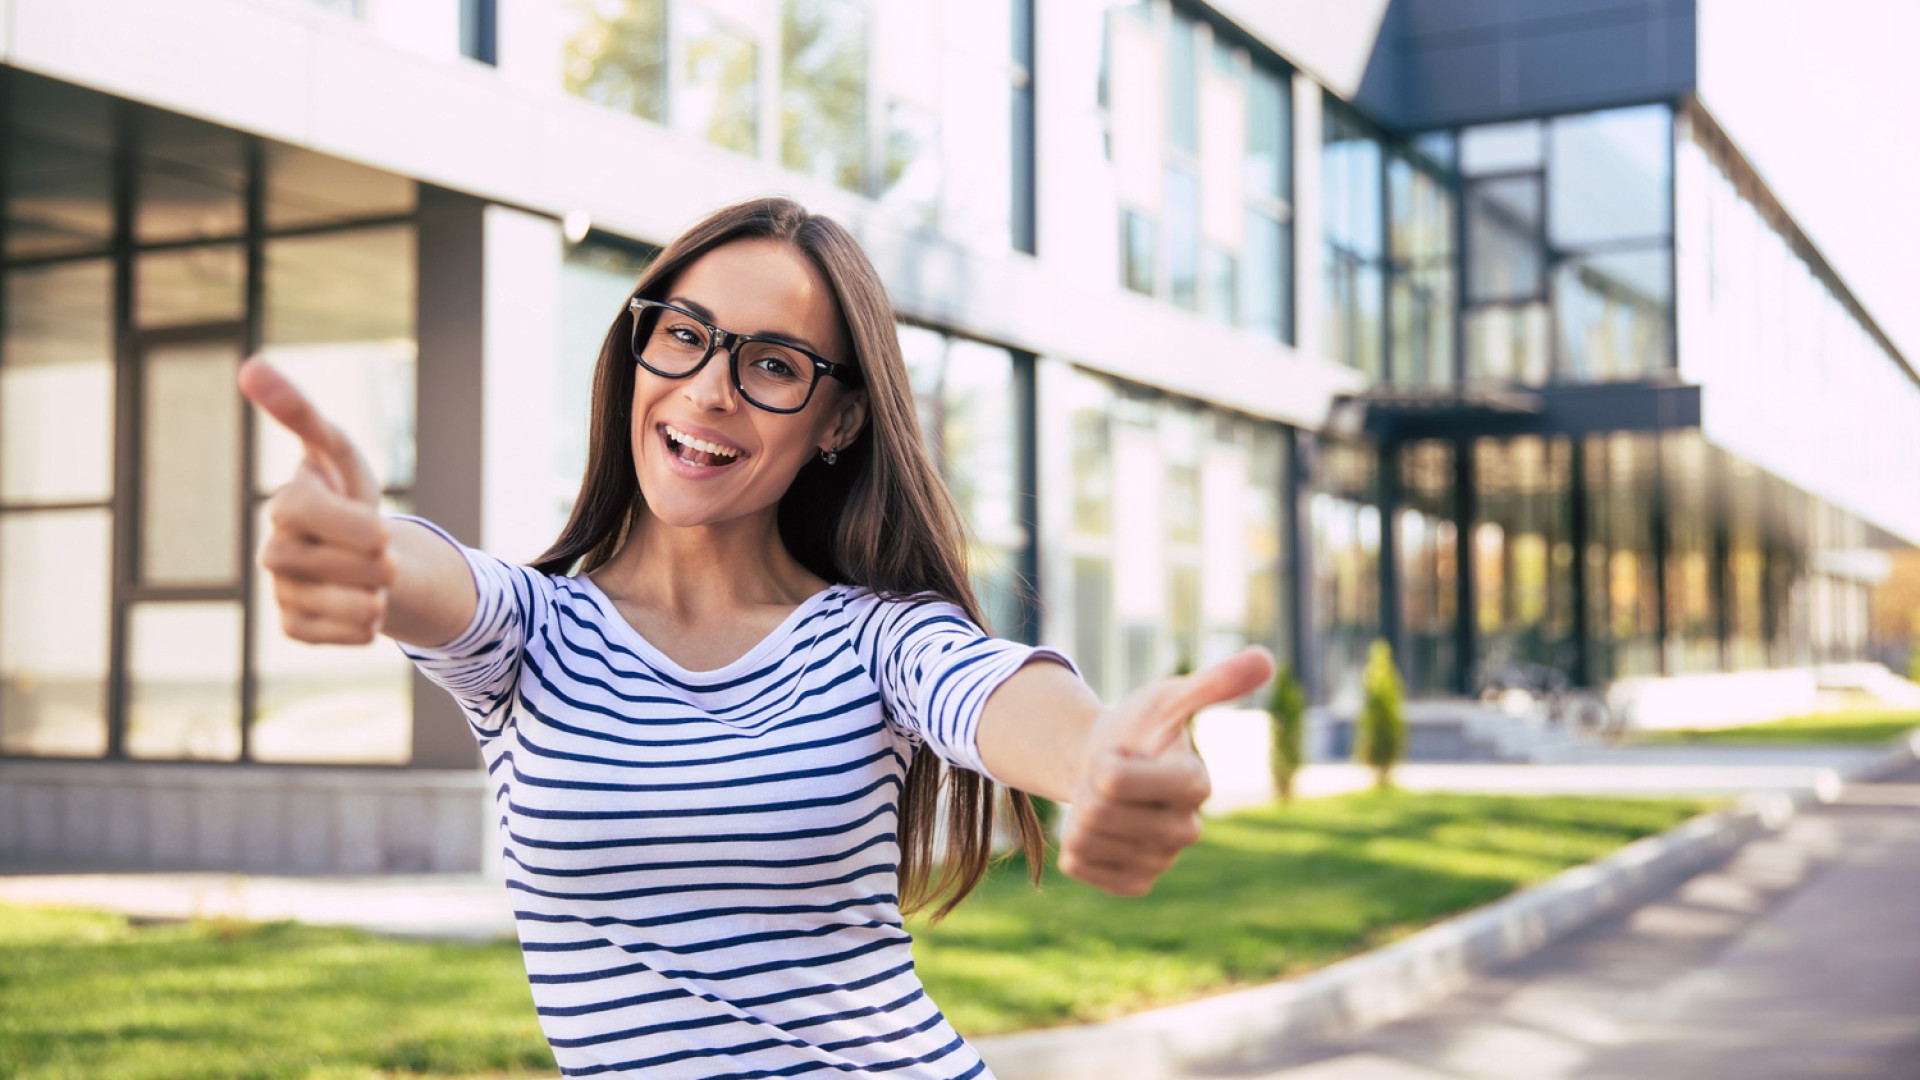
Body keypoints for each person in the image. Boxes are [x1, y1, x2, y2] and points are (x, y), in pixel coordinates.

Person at [240, 196, 1273, 1079]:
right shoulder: (535, 634)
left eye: (773, 364)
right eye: (684, 334)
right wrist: (366, 551)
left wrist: (1103, 755)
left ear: (837, 422)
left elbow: (1005, 700)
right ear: (637, 349)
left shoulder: (879, 640)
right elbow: (438, 578)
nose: (708, 389)